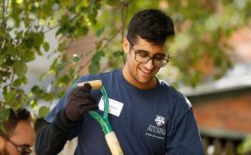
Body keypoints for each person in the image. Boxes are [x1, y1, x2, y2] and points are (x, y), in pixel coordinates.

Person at [35, 9, 205, 155]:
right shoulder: (89, 89)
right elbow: (42, 149)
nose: (149, 65)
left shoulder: (176, 106)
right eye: (143, 54)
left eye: (158, 57)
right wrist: (65, 119)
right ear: (125, 45)